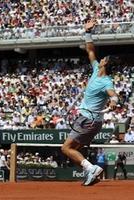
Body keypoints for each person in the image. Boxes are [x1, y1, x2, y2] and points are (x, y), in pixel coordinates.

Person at [61, 19, 118, 186]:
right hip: (92, 121)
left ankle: (91, 168)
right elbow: (90, 50)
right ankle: (90, 172)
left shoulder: (107, 81)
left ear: (105, 63)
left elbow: (113, 94)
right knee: (74, 150)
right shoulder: (95, 69)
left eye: (104, 58)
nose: (101, 58)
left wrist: (113, 101)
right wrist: (87, 32)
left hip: (88, 120)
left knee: (66, 148)